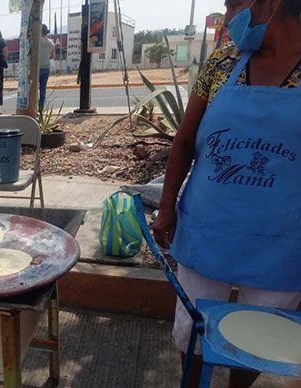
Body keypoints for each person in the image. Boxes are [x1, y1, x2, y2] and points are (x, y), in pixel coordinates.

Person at [152, 0, 301, 387]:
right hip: (208, 228)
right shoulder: (222, 64)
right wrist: (166, 207)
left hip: (282, 242)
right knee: (193, 331)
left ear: (271, 5)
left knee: (259, 338)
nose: (231, 17)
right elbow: (184, 140)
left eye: (234, 4)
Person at [39, 24, 56, 111]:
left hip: (37, 68)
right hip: (46, 67)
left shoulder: (37, 40)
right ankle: (40, 109)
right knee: (43, 89)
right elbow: (53, 56)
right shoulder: (51, 43)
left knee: (33, 89)